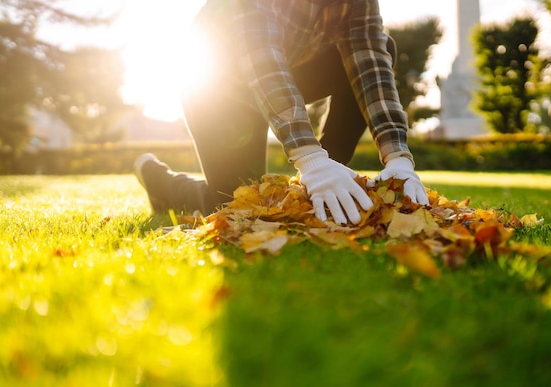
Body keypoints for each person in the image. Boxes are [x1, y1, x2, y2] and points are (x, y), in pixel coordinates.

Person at [134, 0, 429, 226]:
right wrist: (309, 156)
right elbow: (262, 60)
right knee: (237, 206)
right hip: (217, 88)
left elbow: (370, 59)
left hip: (291, 66)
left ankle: (326, 180)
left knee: (381, 47)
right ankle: (157, 179)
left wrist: (397, 155)